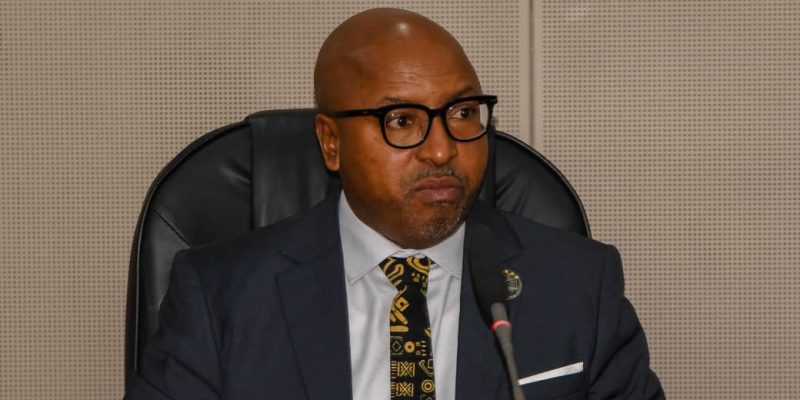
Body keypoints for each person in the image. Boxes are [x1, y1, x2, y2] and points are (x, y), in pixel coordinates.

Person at [126, 8, 664, 400]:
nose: (442, 150)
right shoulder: (218, 297)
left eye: (463, 113)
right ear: (331, 143)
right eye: (402, 121)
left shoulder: (579, 286)